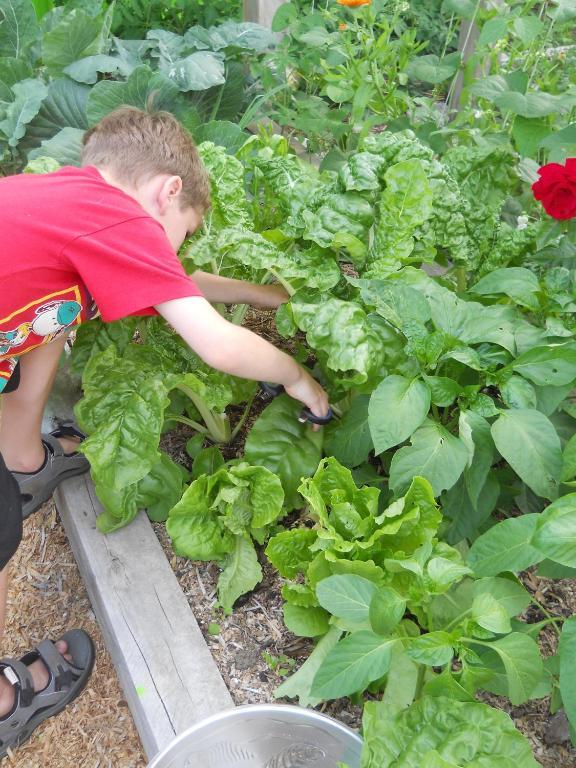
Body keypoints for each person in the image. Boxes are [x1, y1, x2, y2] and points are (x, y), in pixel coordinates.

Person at [0, 106, 330, 756]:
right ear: (167, 191)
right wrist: (297, 377)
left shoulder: (66, 203)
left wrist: (260, 295)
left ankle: (23, 457)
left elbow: (167, 279)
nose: (172, 250)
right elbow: (218, 348)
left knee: (57, 316)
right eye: (182, 234)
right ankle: (7, 707)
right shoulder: (117, 216)